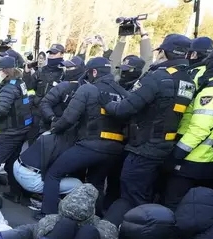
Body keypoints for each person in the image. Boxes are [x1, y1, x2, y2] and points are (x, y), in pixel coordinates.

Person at [103, 34, 195, 207]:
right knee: (148, 191)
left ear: (163, 53)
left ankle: (135, 230)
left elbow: (124, 109)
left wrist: (106, 103)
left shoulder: (156, 78)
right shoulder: (189, 81)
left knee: (132, 193)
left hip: (143, 148)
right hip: (167, 146)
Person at [41, 57, 128, 217]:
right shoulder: (123, 93)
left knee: (53, 174)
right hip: (115, 149)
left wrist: (55, 128)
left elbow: (68, 118)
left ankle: (48, 214)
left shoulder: (88, 90)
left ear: (93, 72)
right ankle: (94, 219)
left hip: (90, 145)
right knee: (97, 184)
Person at [162, 49, 213, 209]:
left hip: (192, 161)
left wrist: (176, 155)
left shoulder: (212, 90)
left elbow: (199, 128)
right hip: (211, 160)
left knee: (174, 205)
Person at [0, 56, 34, 199]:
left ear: (4, 71)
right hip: (22, 128)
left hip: (11, 132)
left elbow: (1, 111)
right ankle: (15, 194)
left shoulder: (9, 87)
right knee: (11, 162)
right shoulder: (19, 82)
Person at [24, 43, 65, 138]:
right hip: (36, 113)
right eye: (50, 53)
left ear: (62, 54)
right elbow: (28, 86)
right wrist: (26, 73)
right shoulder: (41, 71)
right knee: (32, 140)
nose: (51, 56)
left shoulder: (64, 72)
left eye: (54, 53)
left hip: (52, 115)